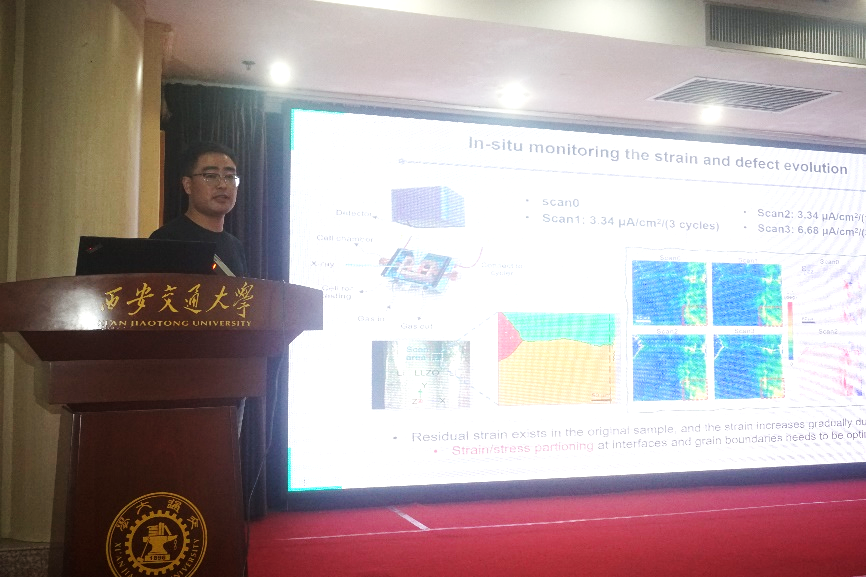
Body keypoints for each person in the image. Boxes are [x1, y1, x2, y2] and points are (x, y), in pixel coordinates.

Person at [150, 141, 248, 277]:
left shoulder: (236, 246)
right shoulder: (166, 240)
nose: (222, 185)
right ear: (188, 185)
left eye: (230, 177)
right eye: (211, 176)